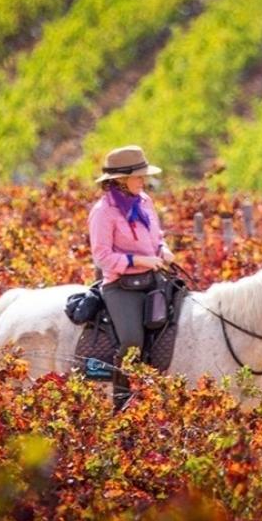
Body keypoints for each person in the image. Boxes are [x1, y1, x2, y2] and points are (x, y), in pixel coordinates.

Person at [88, 145, 176, 408]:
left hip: (153, 277)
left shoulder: (145, 201)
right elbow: (102, 256)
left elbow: (156, 238)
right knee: (132, 341)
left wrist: (163, 250)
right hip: (121, 286)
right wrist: (138, 260)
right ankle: (121, 401)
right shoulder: (103, 212)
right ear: (120, 180)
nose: (143, 181)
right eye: (139, 176)